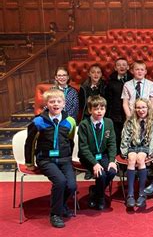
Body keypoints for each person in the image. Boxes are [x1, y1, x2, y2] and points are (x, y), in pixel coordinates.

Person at [25, 89, 77, 228]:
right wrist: (29, 162)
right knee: (60, 182)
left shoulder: (70, 121)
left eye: (58, 101)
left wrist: (69, 157)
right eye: (52, 101)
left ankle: (61, 204)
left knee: (72, 185)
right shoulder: (38, 121)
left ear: (64, 104)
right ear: (46, 104)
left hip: (64, 158)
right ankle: (55, 214)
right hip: (46, 159)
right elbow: (30, 143)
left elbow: (70, 140)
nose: (55, 104)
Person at [120, 98, 153, 209]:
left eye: (143, 107)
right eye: (138, 107)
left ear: (148, 108)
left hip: (146, 148)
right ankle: (130, 195)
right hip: (133, 146)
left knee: (140, 158)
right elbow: (125, 137)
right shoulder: (130, 121)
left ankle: (142, 194)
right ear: (135, 109)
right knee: (132, 159)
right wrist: (125, 152)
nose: (141, 110)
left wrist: (150, 154)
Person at [78, 95, 117, 210]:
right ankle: (99, 198)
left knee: (112, 171)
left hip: (103, 155)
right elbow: (83, 148)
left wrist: (111, 161)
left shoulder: (109, 122)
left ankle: (95, 191)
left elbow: (112, 144)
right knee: (101, 174)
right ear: (90, 110)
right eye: (96, 109)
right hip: (88, 157)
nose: (99, 111)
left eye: (102, 108)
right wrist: (95, 163)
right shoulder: (84, 125)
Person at [105, 57, 132, 148]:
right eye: (119, 65)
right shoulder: (110, 82)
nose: (122, 67)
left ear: (128, 67)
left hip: (129, 113)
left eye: (124, 65)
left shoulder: (132, 80)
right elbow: (108, 99)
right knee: (116, 136)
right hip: (115, 114)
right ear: (115, 68)